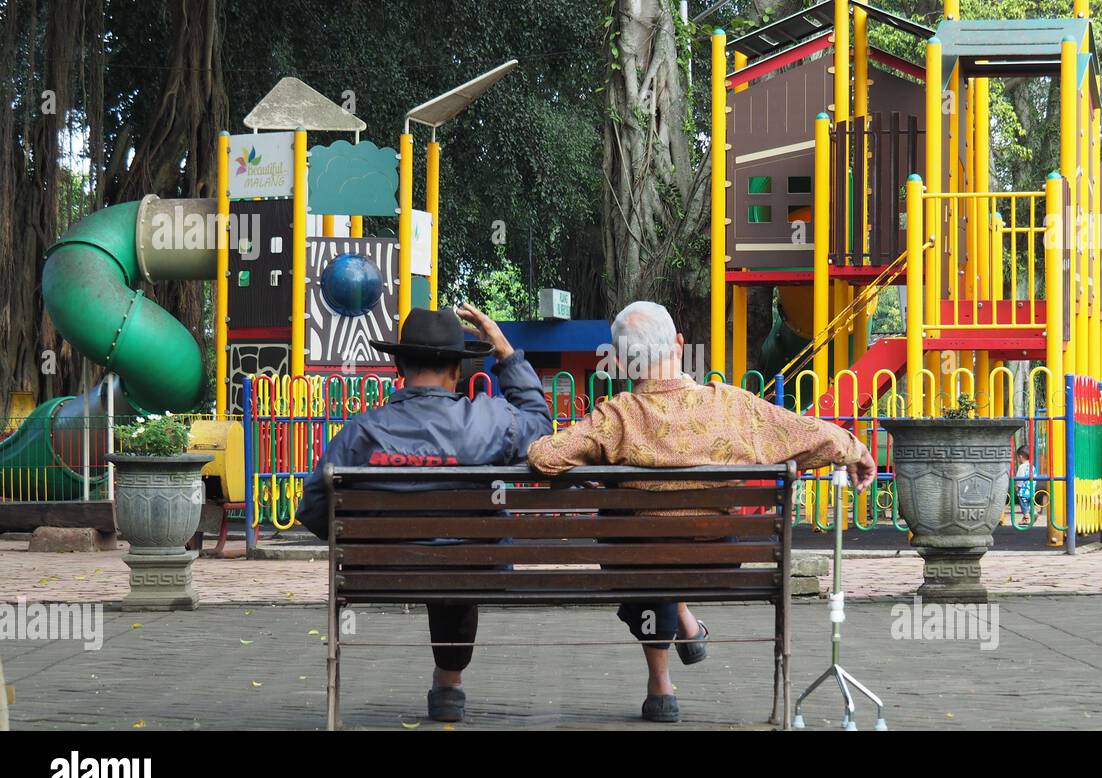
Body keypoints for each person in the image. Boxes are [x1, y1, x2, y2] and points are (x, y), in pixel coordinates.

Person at [527, 300, 876, 722]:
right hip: (718, 560)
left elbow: (544, 457)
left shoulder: (615, 417)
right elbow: (804, 432)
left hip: (637, 561)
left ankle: (661, 685)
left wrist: (593, 468)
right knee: (666, 548)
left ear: (620, 362)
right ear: (678, 344)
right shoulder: (731, 407)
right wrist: (854, 450)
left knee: (639, 543)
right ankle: (683, 623)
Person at [296, 305, 552, 723]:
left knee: (442, 555)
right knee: (460, 559)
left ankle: (439, 682)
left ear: (399, 365)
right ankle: (449, 682)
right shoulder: (491, 419)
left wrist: (363, 543)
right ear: (458, 369)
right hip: (476, 567)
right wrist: (505, 351)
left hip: (381, 572)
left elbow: (313, 507)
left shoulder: (361, 431)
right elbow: (540, 427)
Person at [1015, 445, 1035, 525]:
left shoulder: (1022, 467)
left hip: (1023, 490)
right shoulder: (1032, 466)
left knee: (1023, 504)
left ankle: (1027, 516)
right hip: (1031, 490)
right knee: (1028, 504)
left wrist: (1017, 486)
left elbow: (1020, 478)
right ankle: (1032, 513)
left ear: (1020, 457)